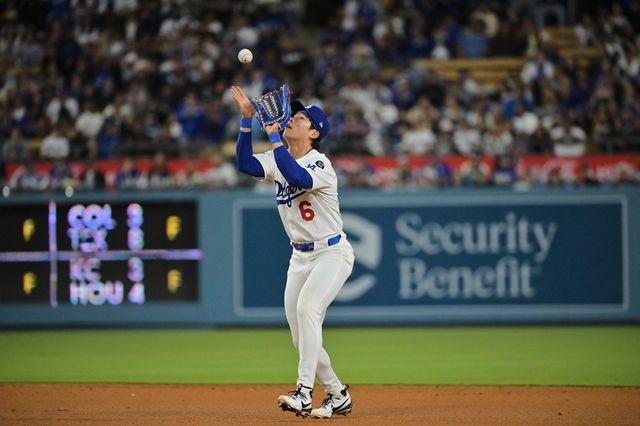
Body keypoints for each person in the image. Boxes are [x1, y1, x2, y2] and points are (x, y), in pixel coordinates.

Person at [230, 85, 354, 419]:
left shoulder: (320, 163)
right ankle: (338, 394)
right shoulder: (278, 157)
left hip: (331, 253)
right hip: (299, 257)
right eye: (293, 115)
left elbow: (296, 176)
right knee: (301, 340)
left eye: (300, 118)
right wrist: (246, 121)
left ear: (314, 133)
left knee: (308, 308)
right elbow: (244, 163)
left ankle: (303, 392)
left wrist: (273, 135)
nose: (291, 119)